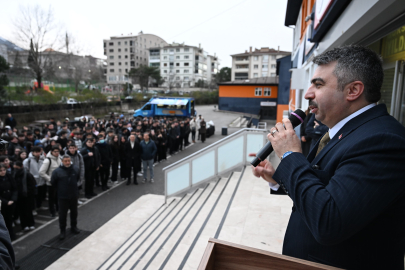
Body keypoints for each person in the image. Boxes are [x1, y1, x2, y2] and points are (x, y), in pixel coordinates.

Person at [251, 45, 405, 269]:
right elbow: (328, 189)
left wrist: (291, 155)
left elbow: (329, 220)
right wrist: (278, 178)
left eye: (318, 84)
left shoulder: (383, 141)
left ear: (353, 90)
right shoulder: (340, 131)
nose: (307, 94)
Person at [51, 155, 80, 240]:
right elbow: (53, 183)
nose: (67, 162)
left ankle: (74, 227)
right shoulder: (57, 171)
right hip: (63, 196)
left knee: (74, 212)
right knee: (62, 214)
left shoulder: (75, 169)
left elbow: (77, 178)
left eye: (68, 161)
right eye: (65, 161)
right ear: (62, 162)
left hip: (74, 195)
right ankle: (62, 230)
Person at [13, 161, 36, 231]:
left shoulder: (27, 174)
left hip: (27, 195)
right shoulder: (14, 174)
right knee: (22, 211)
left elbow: (32, 185)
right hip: (20, 196)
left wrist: (28, 192)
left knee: (27, 210)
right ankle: (25, 225)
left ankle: (30, 224)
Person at [39, 145, 62, 217]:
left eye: (58, 151)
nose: (57, 153)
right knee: (51, 199)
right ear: (51, 152)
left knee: (58, 197)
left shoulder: (59, 158)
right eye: (55, 152)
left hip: (59, 182)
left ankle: (59, 209)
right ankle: (52, 212)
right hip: (51, 183)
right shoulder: (47, 160)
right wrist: (50, 179)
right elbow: (41, 172)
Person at [0, 164, 17, 240]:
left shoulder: (9, 177)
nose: (3, 172)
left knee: (9, 219)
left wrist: (12, 199)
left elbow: (14, 188)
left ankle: (11, 234)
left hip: (10, 201)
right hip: (2, 204)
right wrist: (5, 202)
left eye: (4, 170)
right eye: (1, 170)